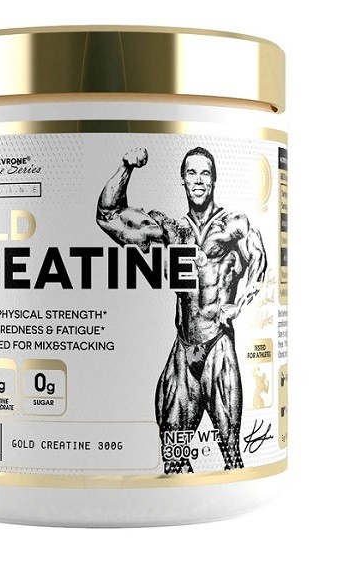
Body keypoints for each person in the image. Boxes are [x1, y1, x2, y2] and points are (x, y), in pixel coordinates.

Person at [97, 147, 267, 473]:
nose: (198, 180)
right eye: (191, 173)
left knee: (232, 454)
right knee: (172, 456)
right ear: (183, 180)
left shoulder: (233, 226)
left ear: (214, 179)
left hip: (218, 345)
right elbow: (108, 216)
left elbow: (260, 262)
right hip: (183, 348)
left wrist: (240, 304)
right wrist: (126, 167)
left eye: (205, 173)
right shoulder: (173, 230)